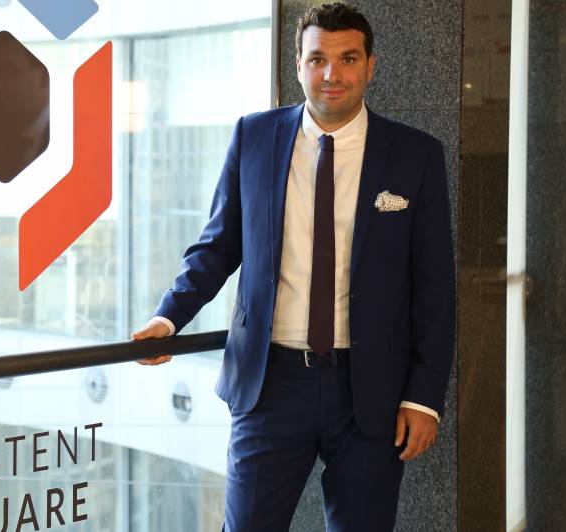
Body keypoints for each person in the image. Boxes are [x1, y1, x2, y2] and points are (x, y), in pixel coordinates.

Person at [131, 3, 455, 530]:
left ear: (371, 66)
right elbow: (217, 247)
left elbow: (435, 288)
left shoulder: (415, 155)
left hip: (372, 390)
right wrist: (169, 319)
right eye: (318, 59)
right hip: (270, 385)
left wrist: (424, 398)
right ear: (298, 64)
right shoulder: (254, 137)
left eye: (348, 58)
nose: (332, 74)